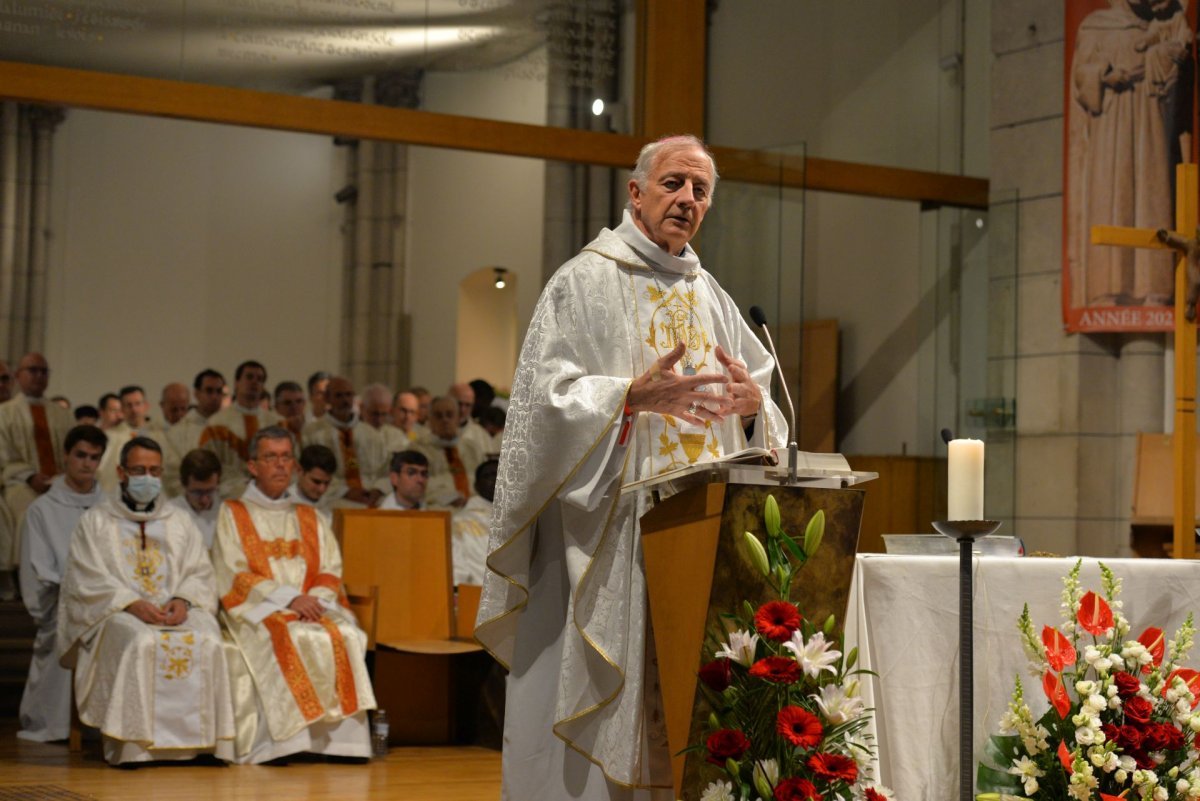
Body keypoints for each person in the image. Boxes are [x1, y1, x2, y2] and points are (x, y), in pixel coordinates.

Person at [475, 135, 786, 800]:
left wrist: (754, 407)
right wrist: (625, 399)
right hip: (601, 535)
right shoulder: (583, 282)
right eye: (674, 183)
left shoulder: (711, 295)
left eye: (700, 190)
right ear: (635, 192)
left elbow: (759, 401)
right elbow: (540, 406)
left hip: (693, 540)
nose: (688, 200)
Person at [56, 436, 235, 765]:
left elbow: (200, 571)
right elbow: (85, 578)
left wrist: (183, 600)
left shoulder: (178, 521)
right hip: (119, 612)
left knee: (208, 640)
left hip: (174, 610)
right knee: (140, 642)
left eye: (154, 471)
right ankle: (136, 747)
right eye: (139, 470)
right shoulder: (96, 522)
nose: (148, 478)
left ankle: (204, 745)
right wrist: (130, 603)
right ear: (121, 473)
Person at [211, 426, 375, 763]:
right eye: (270, 457)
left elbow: (330, 568)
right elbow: (233, 572)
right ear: (253, 466)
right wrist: (288, 600)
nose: (280, 465)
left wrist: (312, 601)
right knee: (284, 634)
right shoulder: (233, 513)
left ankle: (342, 744)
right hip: (260, 610)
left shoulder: (310, 516)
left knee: (344, 633)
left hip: (313, 607)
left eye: (286, 457)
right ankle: (284, 743)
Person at [1068, 0, 1193, 308]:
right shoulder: (1097, 24)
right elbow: (1080, 76)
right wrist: (1103, 73)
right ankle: (1108, 288)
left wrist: (1165, 58)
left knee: (1151, 200)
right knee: (1113, 199)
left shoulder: (1163, 27)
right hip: (1111, 129)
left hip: (1151, 123)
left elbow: (1176, 87)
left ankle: (1155, 287)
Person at [16, 424, 106, 742]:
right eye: (80, 455)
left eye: (94, 457)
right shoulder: (42, 510)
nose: (87, 463)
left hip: (107, 604)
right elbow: (35, 568)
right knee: (61, 632)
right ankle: (52, 724)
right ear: (65, 456)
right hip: (62, 604)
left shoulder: (109, 508)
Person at [0, 353, 74, 591]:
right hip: (20, 483)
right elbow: (5, 455)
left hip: (61, 484)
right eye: (33, 370)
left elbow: (74, 451)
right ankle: (28, 584)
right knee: (28, 515)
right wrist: (31, 476)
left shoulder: (62, 414)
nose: (39, 376)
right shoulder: (5, 413)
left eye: (44, 371)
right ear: (18, 375)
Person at [300, 377, 387, 508]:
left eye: (348, 395)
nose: (345, 400)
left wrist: (378, 490)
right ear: (327, 399)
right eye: (339, 395)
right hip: (332, 496)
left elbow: (384, 470)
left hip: (370, 494)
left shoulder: (371, 434)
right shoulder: (312, 433)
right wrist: (345, 491)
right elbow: (308, 471)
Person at [200, 360, 282, 500]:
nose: (254, 382)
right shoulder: (217, 424)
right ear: (237, 382)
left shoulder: (276, 423)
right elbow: (209, 464)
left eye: (260, 379)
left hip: (270, 493)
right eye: (249, 377)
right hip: (230, 493)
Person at [410, 395, 485, 509]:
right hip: (439, 508)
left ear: (458, 418)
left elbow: (484, 481)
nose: (445, 420)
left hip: (475, 508)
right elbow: (415, 483)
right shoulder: (418, 450)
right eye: (438, 416)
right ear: (429, 420)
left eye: (449, 415)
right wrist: (449, 497)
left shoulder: (472, 448)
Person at [165, 368, 226, 496]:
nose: (215, 396)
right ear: (196, 393)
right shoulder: (178, 432)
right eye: (209, 391)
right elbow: (173, 474)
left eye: (219, 391)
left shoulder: (230, 428)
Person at [450, 459, 496, 585]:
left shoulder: (521, 519)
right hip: (477, 593)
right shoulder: (460, 521)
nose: (494, 479)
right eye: (488, 476)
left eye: (499, 474)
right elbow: (456, 564)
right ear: (476, 485)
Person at [168, 448, 223, 549]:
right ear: (184, 485)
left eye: (210, 491)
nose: (204, 500)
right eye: (197, 492)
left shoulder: (228, 512)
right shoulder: (169, 514)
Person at [361, 383, 409, 454]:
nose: (379, 420)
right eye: (375, 414)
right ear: (362, 408)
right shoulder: (352, 434)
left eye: (383, 414)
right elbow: (350, 462)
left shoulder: (397, 437)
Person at [449, 382, 492, 458]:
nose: (463, 410)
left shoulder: (481, 435)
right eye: (459, 404)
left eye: (467, 405)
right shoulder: (432, 430)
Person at [292, 444, 338, 514]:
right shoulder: (284, 506)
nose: (322, 489)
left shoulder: (331, 505)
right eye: (316, 482)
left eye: (327, 483)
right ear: (299, 471)